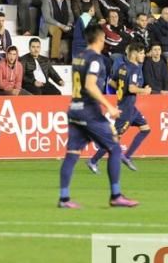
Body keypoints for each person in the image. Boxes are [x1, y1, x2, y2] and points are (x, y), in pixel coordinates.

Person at [58, 26, 138, 209]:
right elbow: (90, 85)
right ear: (100, 39)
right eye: (104, 39)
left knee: (72, 154)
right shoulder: (95, 59)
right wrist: (109, 106)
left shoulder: (79, 57)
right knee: (115, 148)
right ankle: (116, 195)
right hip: (89, 112)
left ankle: (64, 198)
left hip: (74, 109)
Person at [88, 42, 151, 172]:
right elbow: (132, 88)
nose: (144, 56)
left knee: (145, 128)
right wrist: (144, 91)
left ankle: (127, 156)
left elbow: (111, 81)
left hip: (130, 107)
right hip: (126, 109)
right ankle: (93, 160)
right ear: (134, 54)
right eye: (141, 53)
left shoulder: (122, 66)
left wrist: (121, 90)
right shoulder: (134, 69)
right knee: (114, 138)